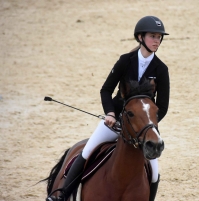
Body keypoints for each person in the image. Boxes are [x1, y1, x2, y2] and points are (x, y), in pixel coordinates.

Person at [46, 15, 170, 201]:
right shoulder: (125, 61)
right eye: (153, 36)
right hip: (116, 121)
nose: (157, 40)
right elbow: (106, 90)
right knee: (87, 151)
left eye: (159, 37)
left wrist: (145, 125)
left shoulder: (161, 68)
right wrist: (110, 113)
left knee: (154, 172)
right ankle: (61, 195)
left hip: (142, 127)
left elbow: (163, 105)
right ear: (140, 38)